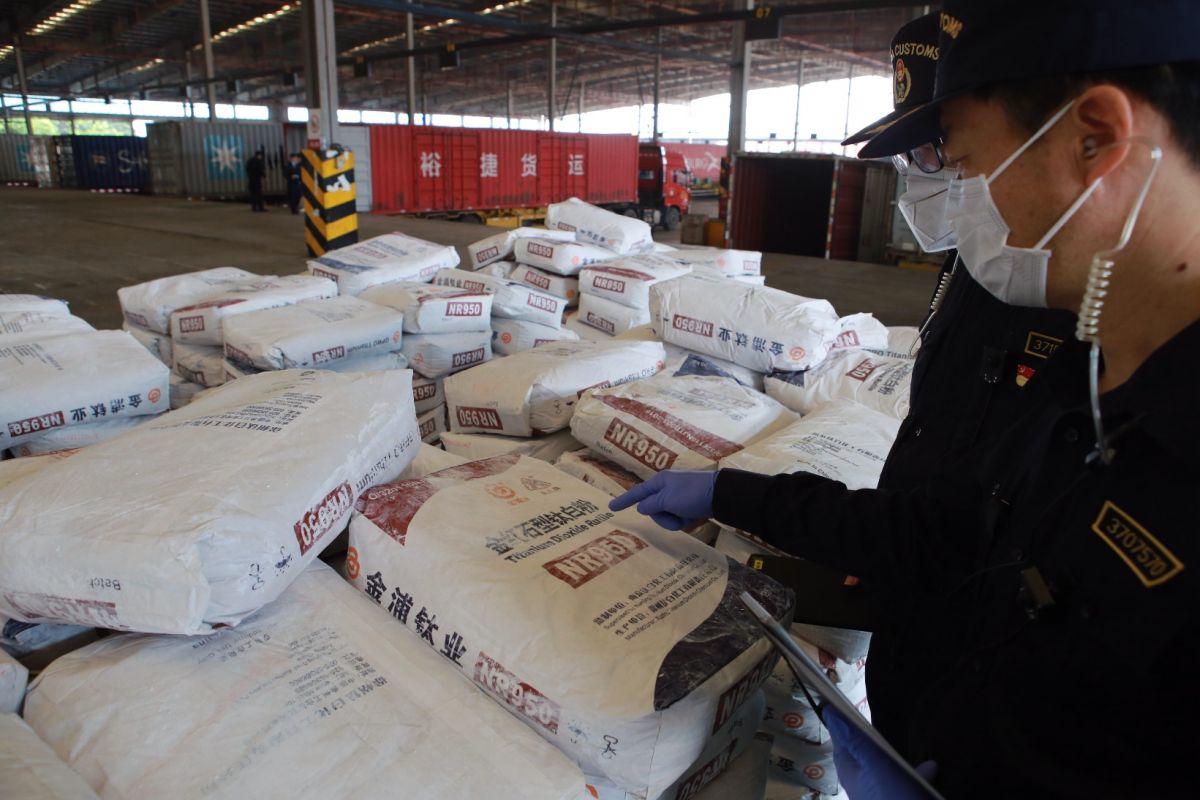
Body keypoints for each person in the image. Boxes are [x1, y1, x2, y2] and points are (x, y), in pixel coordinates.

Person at [612, 1, 1200, 796]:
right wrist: (732, 494)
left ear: (1094, 139)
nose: (956, 193)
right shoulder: (1095, 404)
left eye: (961, 156)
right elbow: (949, 532)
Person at [838, 11, 1080, 756]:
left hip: (983, 689)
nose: (924, 176)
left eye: (945, 151)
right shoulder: (981, 260)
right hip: (922, 633)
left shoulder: (1070, 293)